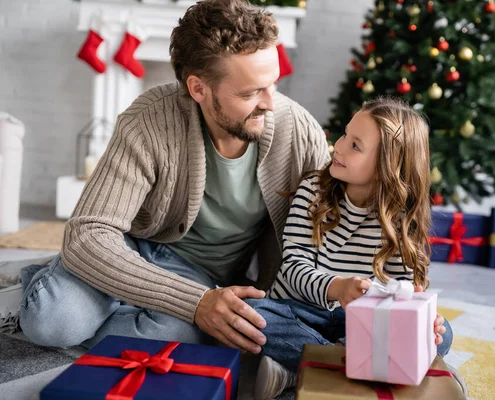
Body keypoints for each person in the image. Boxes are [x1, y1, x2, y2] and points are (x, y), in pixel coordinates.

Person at [17, 0, 329, 354]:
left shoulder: (299, 131)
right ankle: (53, 285)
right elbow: (88, 233)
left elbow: (328, 227)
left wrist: (203, 301)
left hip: (203, 276)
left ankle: (110, 297)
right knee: (51, 321)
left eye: (272, 84)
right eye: (250, 92)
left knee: (186, 337)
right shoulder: (149, 120)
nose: (270, 103)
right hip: (133, 246)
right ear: (198, 89)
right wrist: (196, 304)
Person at [247, 97, 454, 399]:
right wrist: (338, 287)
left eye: (356, 146)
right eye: (345, 135)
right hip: (298, 309)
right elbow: (293, 267)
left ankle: (303, 370)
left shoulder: (403, 218)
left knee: (442, 332)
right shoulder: (313, 191)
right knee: (250, 313)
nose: (339, 147)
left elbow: (402, 291)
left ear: (388, 166)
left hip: (362, 324)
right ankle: (349, 364)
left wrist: (417, 318)